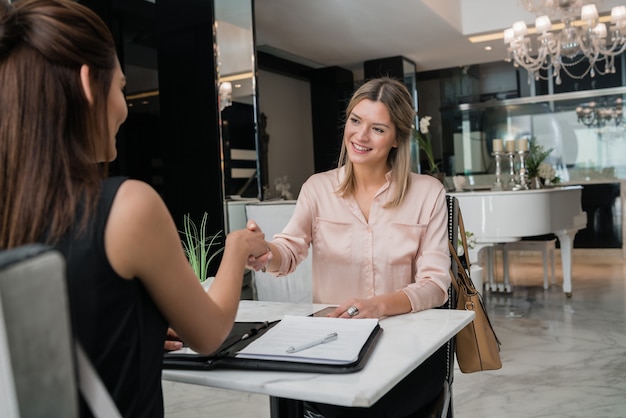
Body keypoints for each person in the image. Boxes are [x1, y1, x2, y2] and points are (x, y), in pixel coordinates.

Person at [0, 1, 267, 416]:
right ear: (90, 83)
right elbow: (211, 334)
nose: (125, 109)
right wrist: (235, 250)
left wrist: (131, 326)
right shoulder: (127, 206)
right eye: (122, 87)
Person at [247, 77, 451, 417]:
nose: (360, 136)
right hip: (332, 343)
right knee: (285, 391)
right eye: (355, 121)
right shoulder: (317, 188)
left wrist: (376, 306)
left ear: (398, 138)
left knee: (366, 404)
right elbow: (289, 249)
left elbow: (435, 285)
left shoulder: (428, 193)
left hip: (407, 348)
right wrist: (266, 252)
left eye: (377, 128)